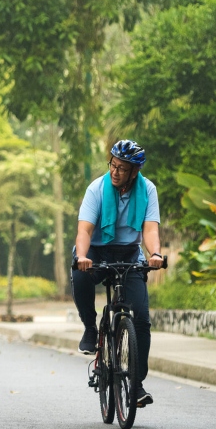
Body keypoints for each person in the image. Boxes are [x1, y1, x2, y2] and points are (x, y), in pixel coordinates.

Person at [72, 140, 163, 408]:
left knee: (142, 320)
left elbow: (150, 229)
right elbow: (84, 230)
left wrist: (155, 254)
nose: (115, 172)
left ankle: (136, 383)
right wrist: (82, 257)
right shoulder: (96, 189)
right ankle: (90, 327)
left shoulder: (147, 190)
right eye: (113, 165)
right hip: (97, 252)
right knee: (79, 275)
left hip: (128, 253)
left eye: (122, 168)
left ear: (134, 171)